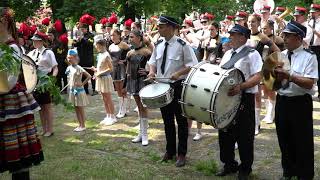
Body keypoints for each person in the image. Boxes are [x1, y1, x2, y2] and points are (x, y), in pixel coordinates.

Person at [0, 3, 44, 179]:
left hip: (11, 105)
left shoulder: (12, 47)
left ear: (3, 21)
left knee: (18, 162)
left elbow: (8, 82)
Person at [147, 15, 198, 167]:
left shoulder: (183, 45)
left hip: (177, 86)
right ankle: (170, 151)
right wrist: (151, 72)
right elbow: (153, 62)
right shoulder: (159, 43)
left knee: (181, 122)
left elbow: (192, 64)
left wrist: (179, 73)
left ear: (170, 27)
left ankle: (182, 154)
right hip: (162, 87)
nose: (159, 29)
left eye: (161, 26)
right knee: (167, 120)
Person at [216, 24, 262, 179]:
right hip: (227, 97)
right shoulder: (228, 53)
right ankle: (229, 164)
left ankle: (245, 168)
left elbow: (258, 76)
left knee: (244, 136)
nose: (230, 37)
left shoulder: (252, 54)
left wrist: (241, 86)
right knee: (225, 132)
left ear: (243, 37)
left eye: (233, 34)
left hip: (244, 98)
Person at [274, 20, 317, 180]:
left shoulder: (309, 57)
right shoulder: (281, 56)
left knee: (302, 142)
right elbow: (273, 82)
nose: (284, 38)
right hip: (282, 101)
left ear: (299, 37)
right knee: (284, 139)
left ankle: (304, 175)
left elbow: (309, 83)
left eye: (288, 36)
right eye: (283, 35)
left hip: (300, 103)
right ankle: (288, 171)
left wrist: (290, 76)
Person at [247, 14, 280, 135]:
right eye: (249, 22)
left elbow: (277, 51)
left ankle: (256, 125)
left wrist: (268, 64)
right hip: (245, 71)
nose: (251, 24)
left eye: (253, 22)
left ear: (259, 23)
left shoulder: (263, 37)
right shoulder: (244, 35)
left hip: (258, 71)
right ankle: (250, 122)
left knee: (257, 96)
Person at [28, 31, 58, 137]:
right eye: (33, 41)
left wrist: (52, 80)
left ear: (41, 41)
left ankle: (50, 129)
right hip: (35, 82)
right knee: (40, 107)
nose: (34, 42)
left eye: (36, 41)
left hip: (46, 81)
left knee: (47, 107)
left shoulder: (48, 52)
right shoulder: (31, 53)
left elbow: (55, 68)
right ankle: (44, 129)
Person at [124, 30, 152, 146]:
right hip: (133, 81)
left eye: (132, 37)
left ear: (139, 38)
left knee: (144, 106)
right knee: (139, 107)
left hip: (143, 81)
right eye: (129, 37)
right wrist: (125, 84)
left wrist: (147, 71)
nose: (130, 39)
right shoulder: (129, 53)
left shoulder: (147, 52)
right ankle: (140, 133)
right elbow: (127, 69)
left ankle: (145, 134)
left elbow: (154, 67)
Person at [260, 20, 284, 124]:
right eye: (262, 28)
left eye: (265, 28)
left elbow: (281, 54)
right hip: (261, 67)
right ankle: (267, 113)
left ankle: (271, 114)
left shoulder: (278, 39)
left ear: (271, 28)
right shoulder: (260, 39)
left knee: (271, 90)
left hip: (272, 67)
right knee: (264, 90)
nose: (263, 30)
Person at [65, 49, 91, 132]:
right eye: (68, 58)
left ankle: (83, 125)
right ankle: (79, 124)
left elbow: (89, 76)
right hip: (72, 90)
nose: (69, 59)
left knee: (80, 108)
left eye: (71, 58)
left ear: (75, 58)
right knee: (76, 108)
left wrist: (82, 84)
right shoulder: (69, 67)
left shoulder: (78, 68)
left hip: (79, 91)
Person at [93, 37, 117, 125]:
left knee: (108, 98)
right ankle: (108, 115)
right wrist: (96, 70)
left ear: (101, 45)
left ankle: (113, 116)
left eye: (96, 45)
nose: (95, 47)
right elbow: (101, 67)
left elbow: (111, 69)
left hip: (106, 78)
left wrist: (99, 73)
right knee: (104, 98)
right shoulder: (100, 54)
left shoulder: (106, 55)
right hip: (101, 78)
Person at [109, 28, 130, 119]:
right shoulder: (110, 46)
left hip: (122, 69)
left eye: (113, 35)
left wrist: (125, 61)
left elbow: (131, 54)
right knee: (117, 90)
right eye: (111, 35)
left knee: (123, 90)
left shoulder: (123, 45)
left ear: (118, 35)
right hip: (114, 69)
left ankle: (124, 110)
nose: (112, 37)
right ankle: (121, 109)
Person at [73, 17, 97, 96]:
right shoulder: (80, 36)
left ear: (86, 29)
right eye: (80, 29)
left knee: (91, 74)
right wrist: (76, 41)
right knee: (83, 74)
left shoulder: (91, 36)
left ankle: (94, 89)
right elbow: (75, 45)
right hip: (81, 58)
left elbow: (89, 43)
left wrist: (82, 38)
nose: (81, 30)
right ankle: (85, 89)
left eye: (83, 29)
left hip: (89, 58)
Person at [309, 4, 320, 100]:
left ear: (318, 12)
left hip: (318, 48)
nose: (312, 13)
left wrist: (314, 31)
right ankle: (311, 90)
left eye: (313, 12)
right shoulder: (311, 21)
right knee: (310, 69)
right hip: (310, 47)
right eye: (311, 12)